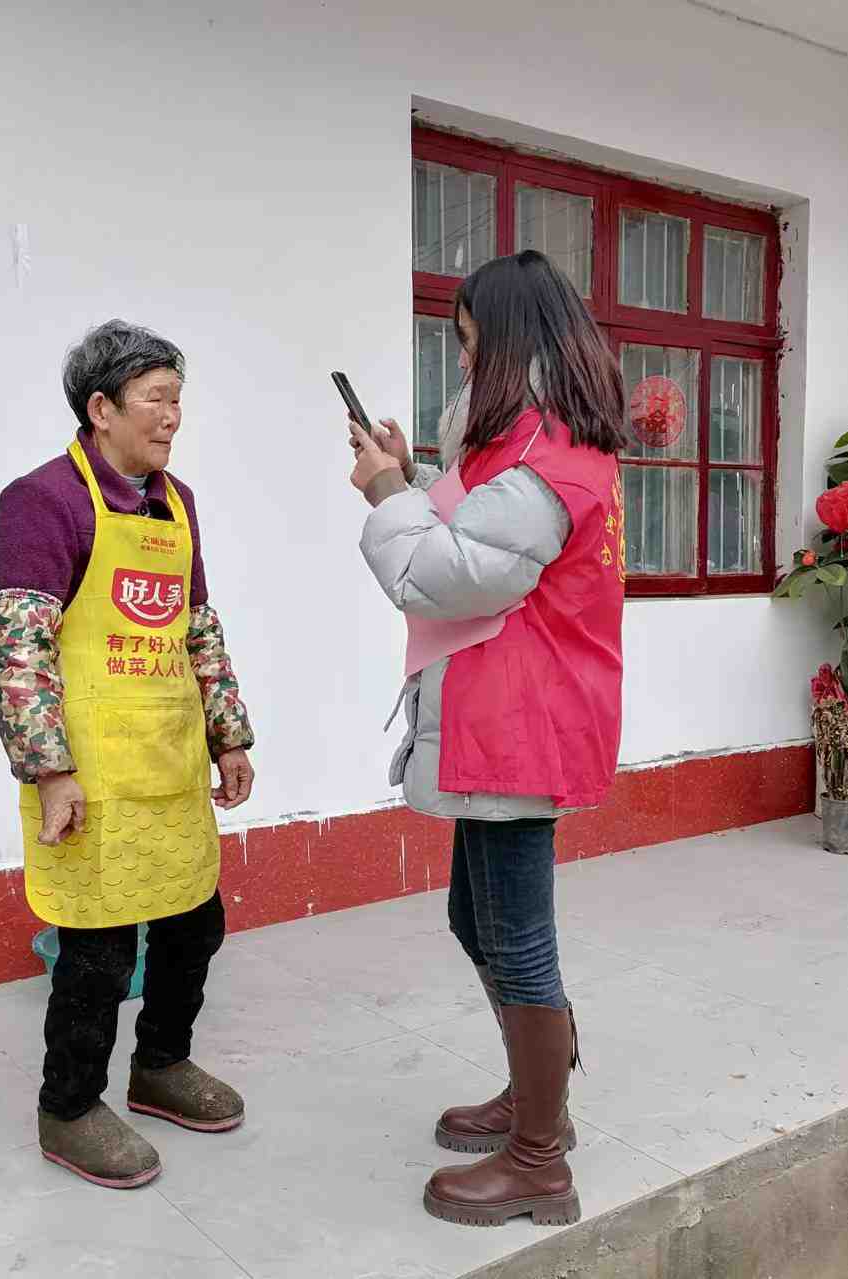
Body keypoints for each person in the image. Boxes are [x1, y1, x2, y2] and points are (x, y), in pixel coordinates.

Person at [346, 250, 626, 1228]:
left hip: (520, 720)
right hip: (502, 712)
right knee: (479, 920)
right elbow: (483, 535)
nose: (462, 361)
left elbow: (449, 573)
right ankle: (531, 1094)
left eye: (468, 342)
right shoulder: (530, 444)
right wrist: (414, 477)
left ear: (508, 340)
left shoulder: (548, 458)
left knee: (515, 938)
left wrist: (389, 494)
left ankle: (540, 1159)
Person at [0, 320, 255, 1189]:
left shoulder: (177, 504)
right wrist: (50, 770)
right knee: (98, 951)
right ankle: (68, 1107)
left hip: (169, 767)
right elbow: (18, 647)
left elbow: (198, 628)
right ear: (101, 409)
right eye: (156, 399)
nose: (173, 416)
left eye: (178, 399)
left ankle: (161, 1065)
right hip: (92, 776)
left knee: (193, 925)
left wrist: (228, 733)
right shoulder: (42, 501)